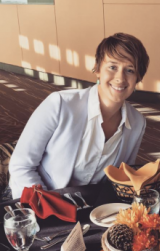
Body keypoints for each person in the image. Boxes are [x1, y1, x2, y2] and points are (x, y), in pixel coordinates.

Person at [9, 33, 149, 199]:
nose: (120, 78)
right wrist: (49, 208)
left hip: (93, 209)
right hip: (42, 201)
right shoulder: (60, 104)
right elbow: (22, 166)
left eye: (130, 70)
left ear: (138, 78)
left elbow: (121, 177)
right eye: (112, 67)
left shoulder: (137, 123)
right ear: (97, 69)